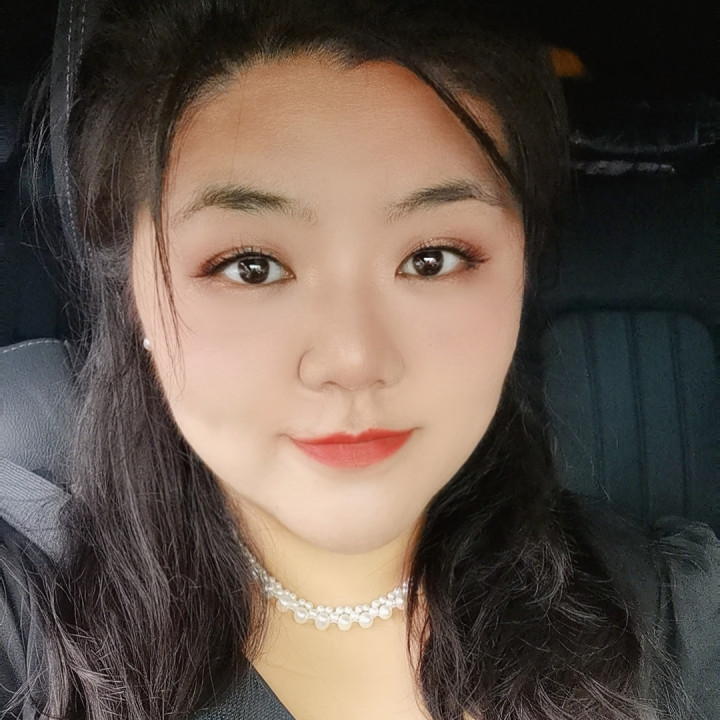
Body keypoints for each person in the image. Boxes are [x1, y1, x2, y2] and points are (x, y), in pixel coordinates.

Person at [1, 1, 718, 718]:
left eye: (432, 259)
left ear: (520, 271)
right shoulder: (28, 628)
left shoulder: (676, 622)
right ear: (133, 295)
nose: (352, 358)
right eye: (251, 267)